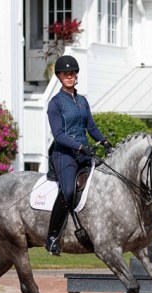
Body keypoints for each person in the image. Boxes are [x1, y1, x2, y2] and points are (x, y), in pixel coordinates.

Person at [45, 55, 112, 256]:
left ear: (76, 76)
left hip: (84, 153)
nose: (69, 76)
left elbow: (91, 127)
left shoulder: (82, 101)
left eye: (72, 73)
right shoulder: (55, 103)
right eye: (65, 74)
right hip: (65, 155)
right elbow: (58, 135)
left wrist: (105, 143)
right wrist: (80, 148)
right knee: (68, 191)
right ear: (59, 76)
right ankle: (52, 237)